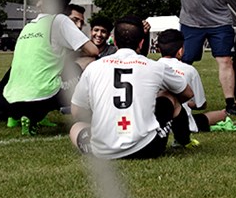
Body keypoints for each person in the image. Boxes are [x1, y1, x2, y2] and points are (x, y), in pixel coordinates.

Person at [70, 17, 194, 159]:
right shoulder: (156, 67)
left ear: (114, 41)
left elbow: (76, 111)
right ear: (141, 43)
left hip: (103, 149)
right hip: (147, 148)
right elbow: (188, 93)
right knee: (170, 96)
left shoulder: (94, 67)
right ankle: (183, 140)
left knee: (76, 128)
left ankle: (96, 145)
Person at [2, 0, 99, 135]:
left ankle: (30, 117)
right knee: (88, 62)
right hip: (41, 96)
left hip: (10, 99)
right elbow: (93, 51)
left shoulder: (28, 26)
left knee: (47, 73)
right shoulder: (59, 20)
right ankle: (93, 116)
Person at [156, 29, 236, 145]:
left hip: (155, 118)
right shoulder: (189, 70)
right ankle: (224, 113)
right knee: (219, 114)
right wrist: (187, 103)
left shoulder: (151, 68)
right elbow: (201, 105)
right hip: (183, 121)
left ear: (159, 49)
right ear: (180, 51)